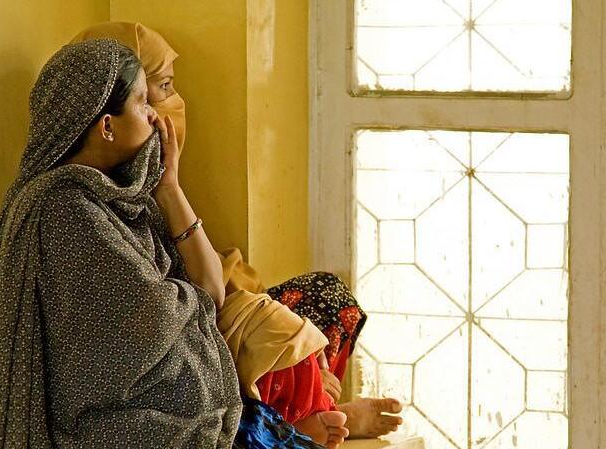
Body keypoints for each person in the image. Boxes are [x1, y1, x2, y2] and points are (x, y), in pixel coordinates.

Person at [72, 22, 404, 444]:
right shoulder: (80, 204)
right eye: (160, 90)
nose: (166, 110)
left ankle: (316, 408)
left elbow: (208, 276)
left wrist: (170, 188)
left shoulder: (149, 175)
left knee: (324, 296)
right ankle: (306, 419)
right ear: (107, 117)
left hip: (202, 316)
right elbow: (179, 307)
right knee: (271, 327)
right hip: (176, 349)